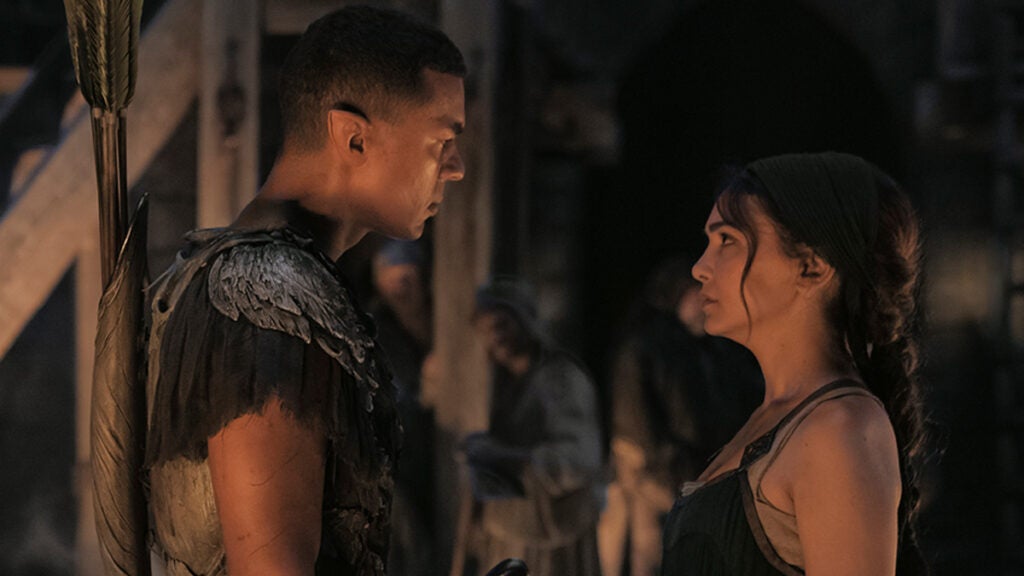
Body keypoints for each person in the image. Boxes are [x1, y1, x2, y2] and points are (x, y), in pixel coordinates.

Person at [141, 7, 465, 576]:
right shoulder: (266, 292)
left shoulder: (275, 277)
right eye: (442, 140)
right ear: (354, 138)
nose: (456, 167)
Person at [661, 152, 929, 575]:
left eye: (727, 241)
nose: (699, 268)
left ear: (812, 266)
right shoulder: (780, 418)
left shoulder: (839, 428)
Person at [598, 258, 761, 576]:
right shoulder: (643, 347)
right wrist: (673, 468)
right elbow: (636, 420)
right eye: (697, 295)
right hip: (658, 480)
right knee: (653, 557)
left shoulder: (710, 348)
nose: (705, 303)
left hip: (703, 474)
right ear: (675, 295)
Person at [454, 277, 604, 576]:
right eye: (486, 328)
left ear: (524, 321)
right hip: (509, 533)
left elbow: (579, 458)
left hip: (551, 540)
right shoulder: (499, 384)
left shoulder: (561, 379)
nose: (495, 336)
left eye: (503, 324)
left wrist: (508, 457)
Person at [368, 239, 437, 576]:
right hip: (397, 453)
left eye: (408, 279)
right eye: (393, 281)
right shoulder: (376, 328)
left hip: (432, 447)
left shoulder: (439, 320)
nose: (401, 289)